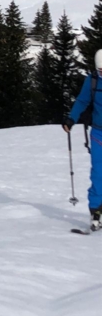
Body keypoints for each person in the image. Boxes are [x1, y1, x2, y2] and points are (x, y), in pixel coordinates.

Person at [63, 47, 102, 231]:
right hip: (98, 133)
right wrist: (72, 119)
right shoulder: (92, 80)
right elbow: (82, 101)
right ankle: (96, 212)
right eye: (101, 70)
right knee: (98, 173)